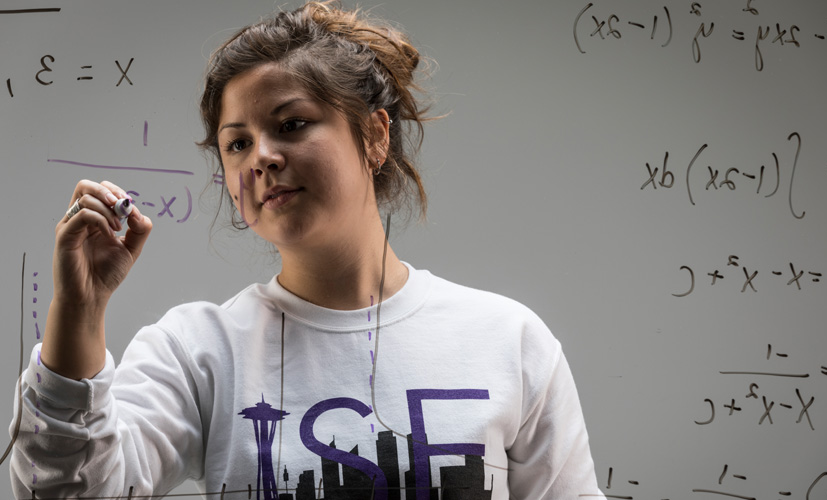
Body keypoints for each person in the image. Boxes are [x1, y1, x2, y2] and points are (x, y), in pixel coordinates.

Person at [10, 2, 603, 499]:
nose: (260, 157)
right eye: (236, 143)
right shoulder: (198, 353)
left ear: (374, 135)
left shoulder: (507, 341)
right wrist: (79, 312)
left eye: (291, 125)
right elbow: (67, 490)